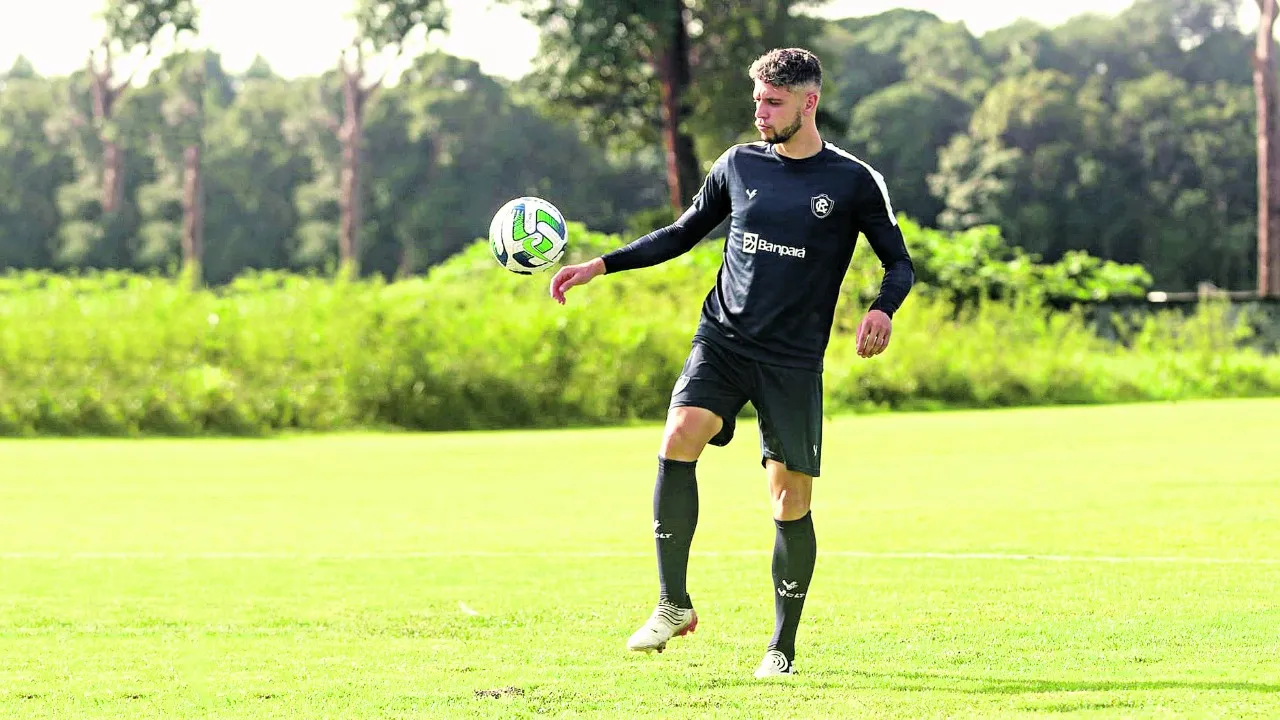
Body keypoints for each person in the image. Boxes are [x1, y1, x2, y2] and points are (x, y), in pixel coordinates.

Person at [548, 47, 914, 679]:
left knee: (788, 500)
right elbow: (683, 232)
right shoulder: (739, 164)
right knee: (678, 435)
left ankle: (781, 646)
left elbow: (899, 263)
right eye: (757, 101)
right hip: (723, 338)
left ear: (809, 101)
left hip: (792, 360)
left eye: (773, 102)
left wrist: (882, 309)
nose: (761, 112)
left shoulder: (853, 181)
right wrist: (599, 265)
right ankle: (672, 603)